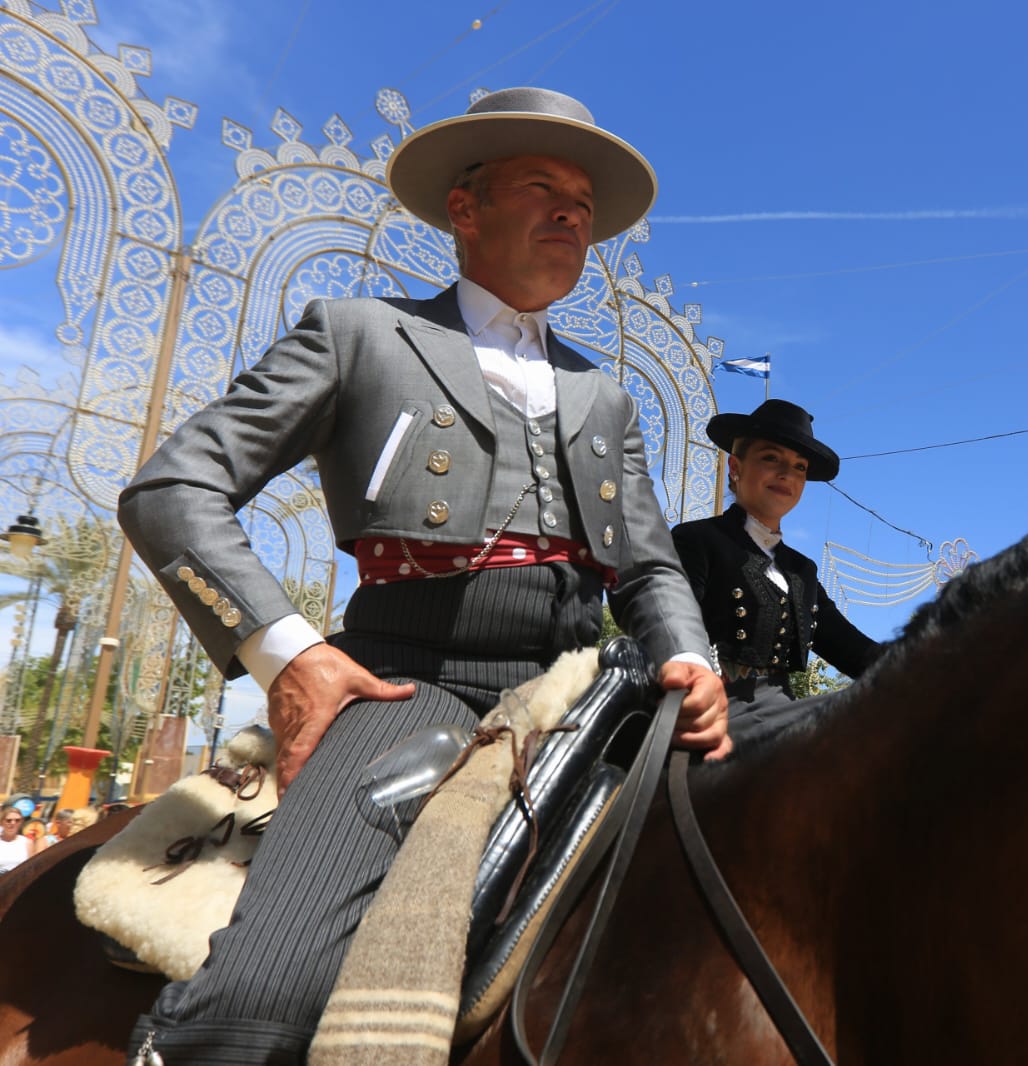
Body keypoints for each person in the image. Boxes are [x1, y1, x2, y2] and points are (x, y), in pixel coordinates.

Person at [117, 86, 728, 1064]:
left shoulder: (605, 398)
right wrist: (292, 657)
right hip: (407, 685)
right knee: (264, 996)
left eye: (584, 198)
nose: (574, 212)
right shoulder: (359, 332)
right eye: (543, 186)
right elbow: (170, 489)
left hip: (581, 696)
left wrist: (692, 659)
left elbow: (647, 565)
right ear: (466, 207)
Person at [672, 399, 881, 737]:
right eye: (771, 458)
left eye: (799, 467)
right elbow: (672, 624)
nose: (787, 474)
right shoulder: (696, 540)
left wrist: (930, 660)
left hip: (785, 712)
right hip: (714, 709)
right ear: (735, 467)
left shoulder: (802, 570)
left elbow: (855, 651)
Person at [0, 806, 32, 874]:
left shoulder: (27, 843)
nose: (13, 823)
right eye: (9, 820)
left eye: (17, 820)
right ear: (1, 822)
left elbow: (31, 868)